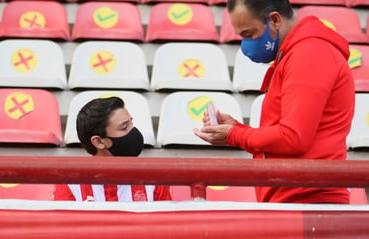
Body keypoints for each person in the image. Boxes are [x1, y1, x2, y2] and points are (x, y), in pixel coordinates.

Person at [194, 0, 355, 204]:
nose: (246, 46)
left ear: (275, 20)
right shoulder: (299, 52)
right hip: (296, 199)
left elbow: (293, 137)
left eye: (249, 34)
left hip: (309, 203)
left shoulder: (309, 52)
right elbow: (288, 135)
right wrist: (237, 129)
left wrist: (235, 134)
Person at [53, 97, 171, 201]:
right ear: (98, 142)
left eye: (131, 124)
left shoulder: (153, 182)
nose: (134, 133)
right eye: (124, 127)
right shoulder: (71, 185)